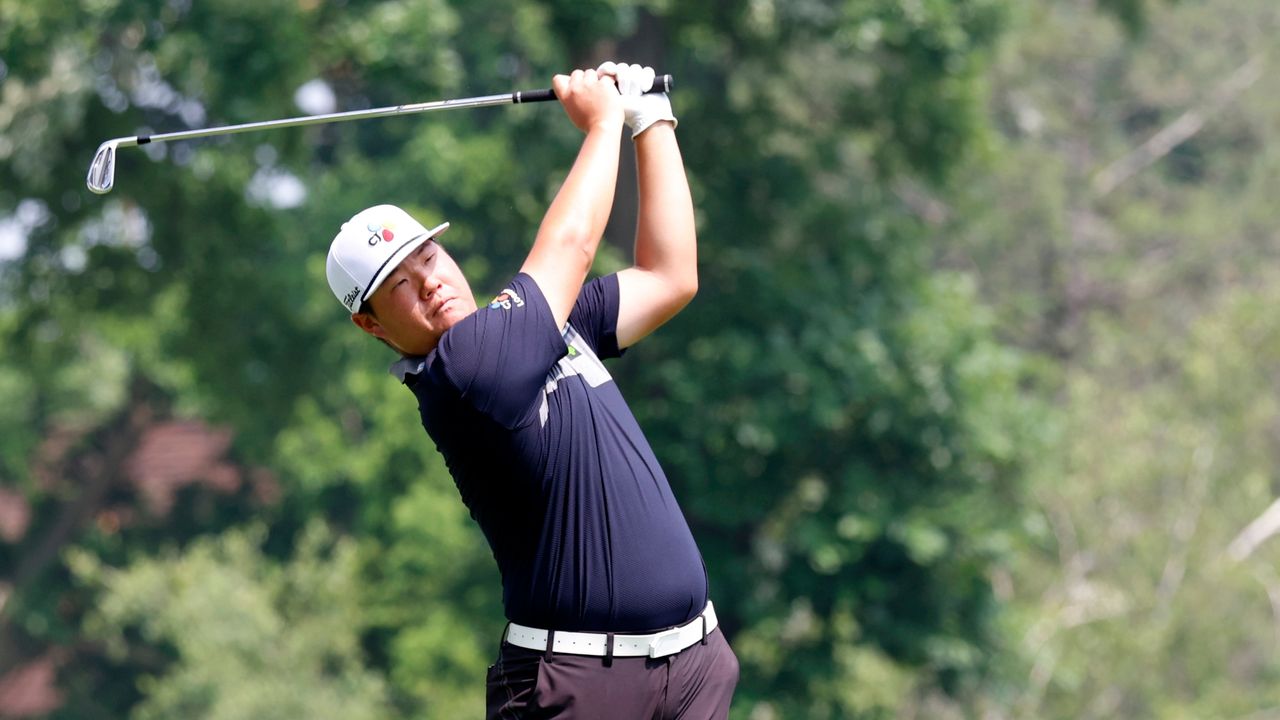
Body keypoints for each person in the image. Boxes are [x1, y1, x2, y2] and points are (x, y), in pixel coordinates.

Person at [325, 62, 737, 719]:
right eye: (399, 283)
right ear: (370, 323)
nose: (430, 282)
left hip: (692, 670)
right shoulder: (462, 370)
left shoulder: (542, 327)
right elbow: (571, 245)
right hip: (577, 686)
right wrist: (603, 122)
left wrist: (650, 115)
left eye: (428, 257)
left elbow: (670, 275)